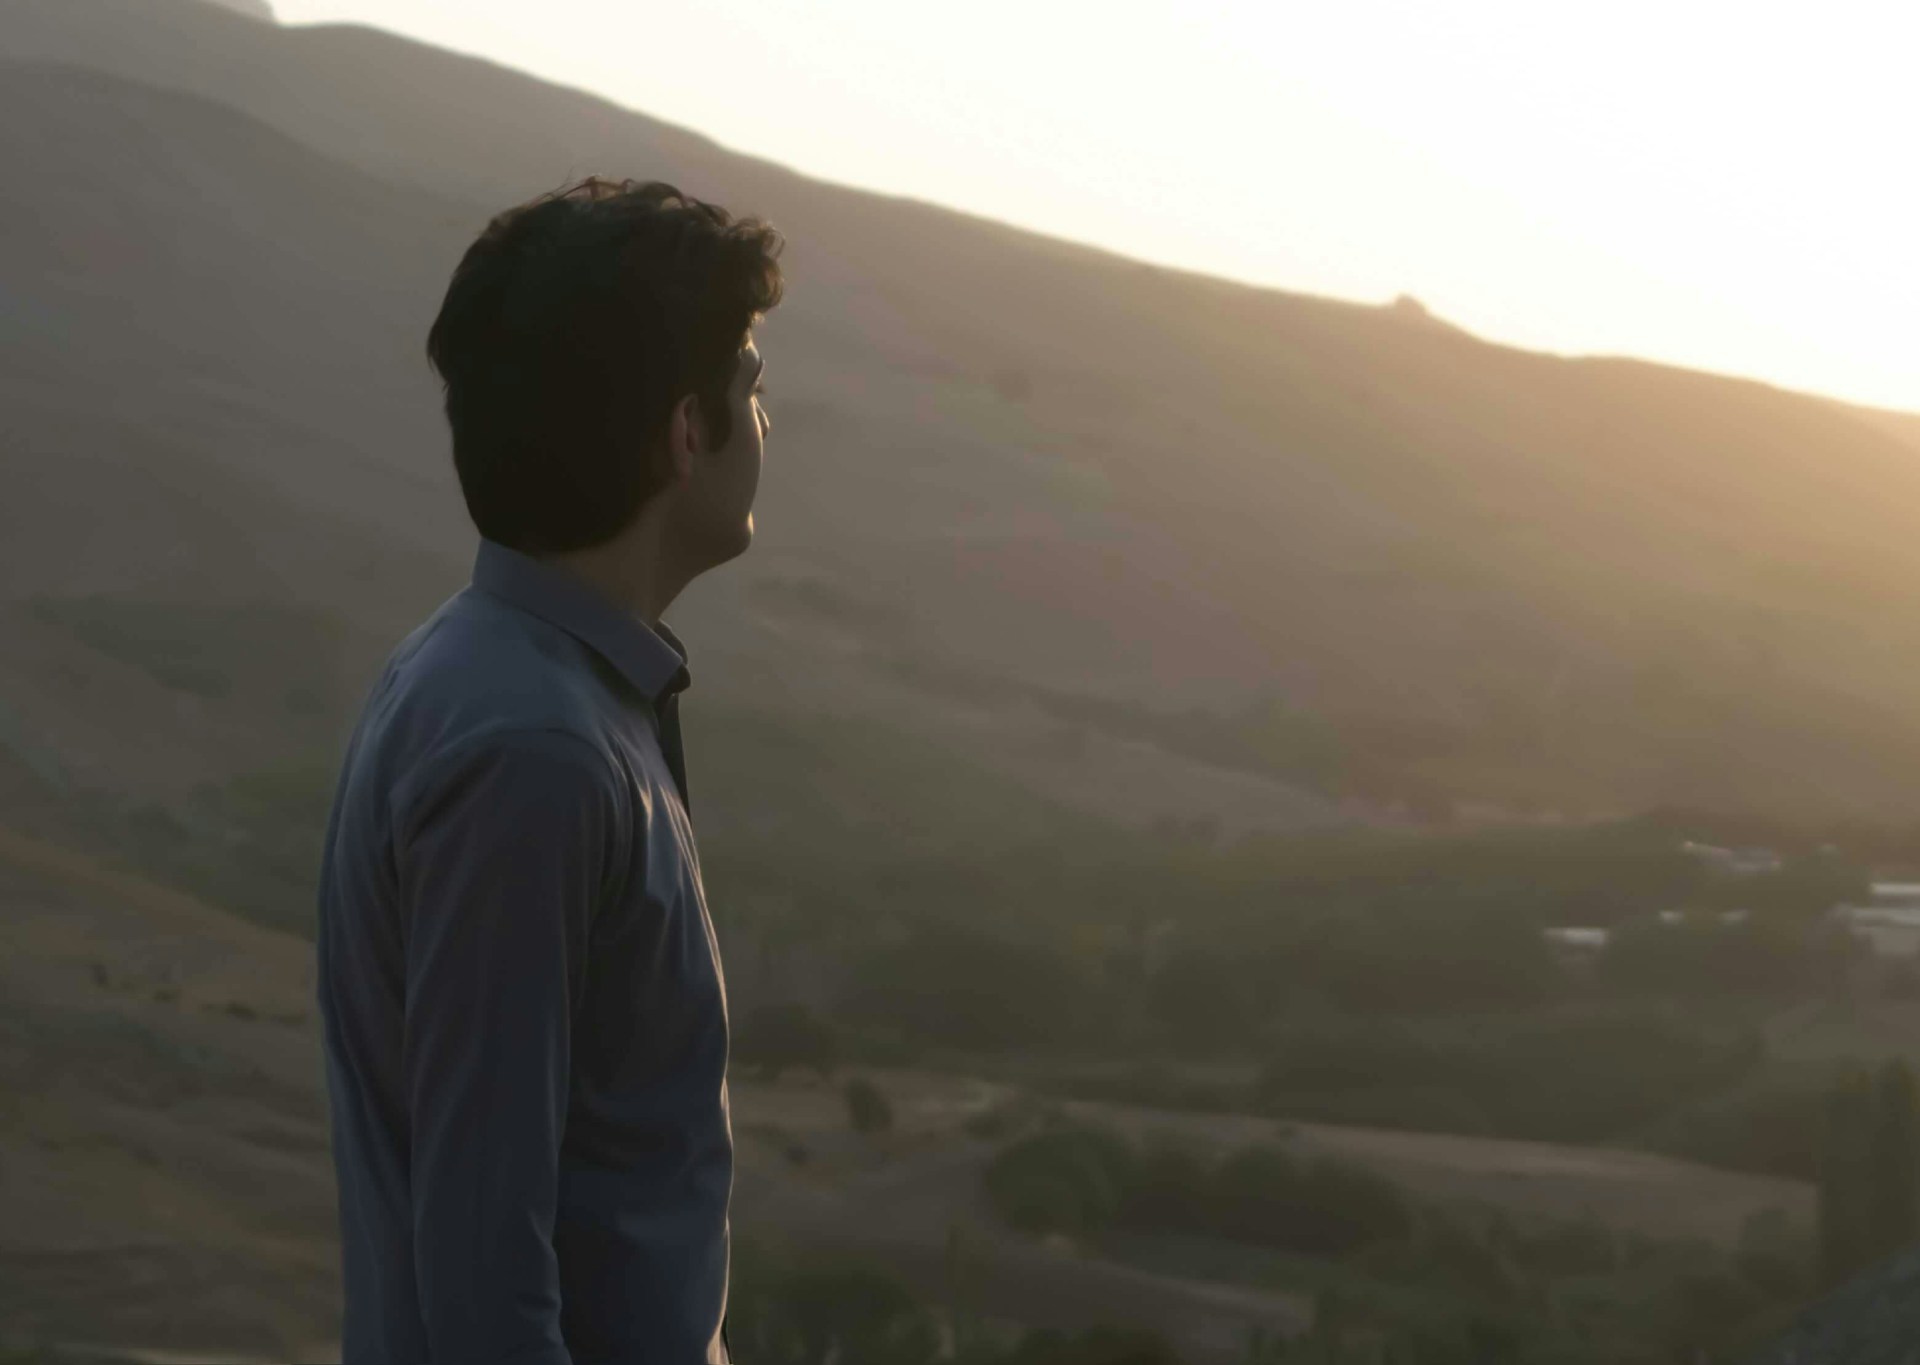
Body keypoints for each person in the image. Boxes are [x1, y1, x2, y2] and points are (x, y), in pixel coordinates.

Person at [315, 177, 783, 1364]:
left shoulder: (511, 686)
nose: (766, 424)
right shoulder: (533, 753)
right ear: (689, 431)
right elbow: (485, 1275)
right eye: (753, 388)